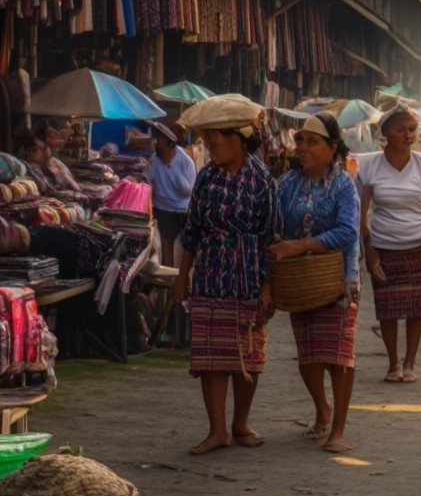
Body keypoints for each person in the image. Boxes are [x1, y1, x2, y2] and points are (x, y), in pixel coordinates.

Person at [173, 94, 279, 455]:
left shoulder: (263, 180)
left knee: (248, 355)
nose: (209, 146)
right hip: (210, 274)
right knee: (210, 356)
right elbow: (192, 231)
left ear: (237, 137)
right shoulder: (206, 178)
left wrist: (268, 286)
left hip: (250, 273)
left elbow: (272, 236)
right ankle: (217, 430)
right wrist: (182, 275)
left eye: (214, 139)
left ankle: (240, 423)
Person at [272, 112, 360, 453]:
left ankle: (338, 429)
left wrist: (302, 244)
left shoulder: (343, 183)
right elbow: (275, 224)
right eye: (300, 141)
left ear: (332, 147)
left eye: (312, 141)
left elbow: (348, 231)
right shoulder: (286, 183)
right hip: (299, 281)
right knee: (308, 356)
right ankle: (322, 408)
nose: (303, 147)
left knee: (339, 356)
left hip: (339, 279)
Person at [359, 106, 421, 384]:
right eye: (400, 129)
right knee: (388, 310)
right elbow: (361, 214)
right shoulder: (369, 166)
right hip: (383, 249)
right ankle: (393, 362)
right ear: (386, 134)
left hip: (417, 249)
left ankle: (410, 363)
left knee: (416, 309)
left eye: (411, 129)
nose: (408, 135)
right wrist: (369, 252)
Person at [148, 122, 197, 264]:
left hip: (182, 211)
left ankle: (180, 278)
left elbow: (187, 192)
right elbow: (149, 182)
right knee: (166, 247)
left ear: (168, 143)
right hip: (162, 210)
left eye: (159, 140)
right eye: (155, 139)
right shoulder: (154, 160)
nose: (156, 144)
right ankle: (168, 282)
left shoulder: (185, 161)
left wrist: (170, 167)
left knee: (183, 251)